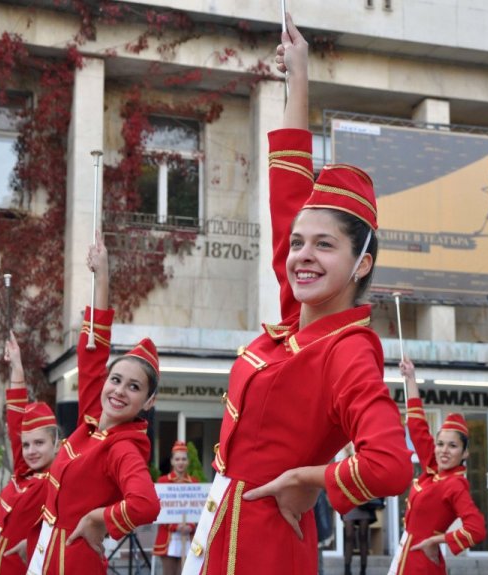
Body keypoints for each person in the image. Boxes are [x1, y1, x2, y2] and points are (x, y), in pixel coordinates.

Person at [182, 13, 412, 575]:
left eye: (324, 245)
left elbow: (389, 467)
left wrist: (311, 481)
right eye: (298, 244)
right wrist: (299, 75)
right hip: (220, 528)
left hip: (268, 546)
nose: (303, 254)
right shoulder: (297, 319)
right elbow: (288, 190)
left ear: (363, 264)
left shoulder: (347, 350)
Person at [26, 234, 161, 575]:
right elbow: (93, 352)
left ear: (148, 401)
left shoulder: (123, 449)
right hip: (44, 551)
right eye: (115, 380)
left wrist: (97, 518)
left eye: (134, 387)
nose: (119, 391)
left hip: (74, 561)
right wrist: (102, 277)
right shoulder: (91, 419)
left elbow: (146, 504)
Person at [0, 332, 59, 575]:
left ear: (56, 444)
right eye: (26, 445)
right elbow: (17, 417)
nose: (30, 451)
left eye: (39, 443)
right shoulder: (23, 471)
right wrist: (17, 367)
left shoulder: (57, 481)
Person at [388, 358, 486, 574]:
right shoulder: (433, 469)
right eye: (440, 444)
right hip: (406, 553)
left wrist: (437, 541)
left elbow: (476, 529)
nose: (444, 450)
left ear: (465, 453)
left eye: (453, 446)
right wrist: (411, 378)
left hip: (421, 561)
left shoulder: (455, 485)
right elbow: (417, 425)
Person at [153, 441, 199, 575]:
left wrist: (190, 525)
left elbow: (197, 509)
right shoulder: (162, 482)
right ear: (172, 462)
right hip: (168, 538)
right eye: (177, 459)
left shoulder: (194, 482)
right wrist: (175, 526)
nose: (181, 462)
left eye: (184, 459)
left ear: (188, 462)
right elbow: (161, 510)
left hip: (188, 536)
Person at [340, 445, 378, 575]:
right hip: (350, 503)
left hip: (364, 503)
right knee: (349, 535)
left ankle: (363, 570)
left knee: (363, 536)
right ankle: (347, 570)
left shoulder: (366, 461)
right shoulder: (345, 462)